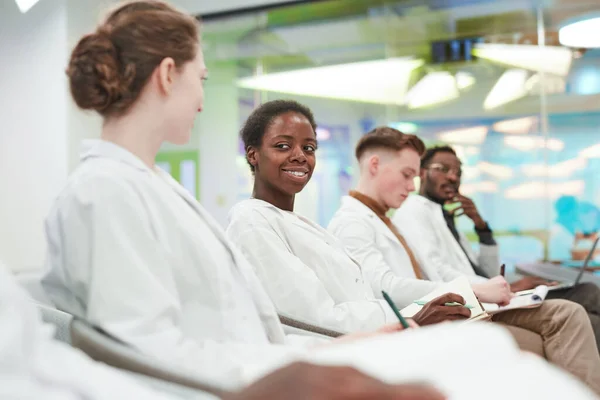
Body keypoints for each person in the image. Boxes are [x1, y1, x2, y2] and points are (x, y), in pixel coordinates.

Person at [39, 2, 597, 398]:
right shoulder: (104, 194)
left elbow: (245, 320)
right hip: (262, 375)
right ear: (167, 75)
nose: (204, 99)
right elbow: (145, 355)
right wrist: (303, 365)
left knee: (490, 356)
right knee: (492, 364)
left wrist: (374, 329)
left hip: (280, 358)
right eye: (201, 79)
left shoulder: (148, 188)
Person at [327, 127, 600, 392]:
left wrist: (482, 240)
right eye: (408, 174)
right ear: (374, 165)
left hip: (458, 302)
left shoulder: (386, 218)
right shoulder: (356, 222)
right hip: (437, 314)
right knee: (568, 318)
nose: (412, 186)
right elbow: (386, 286)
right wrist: (474, 289)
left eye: (457, 172)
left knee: (572, 310)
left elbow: (459, 269)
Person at [0, 259, 444, 400]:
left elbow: (47, 360)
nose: (301, 158)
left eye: (309, 147)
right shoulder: (103, 194)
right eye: (200, 74)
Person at [227, 100, 467, 334]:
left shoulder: (294, 221)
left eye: (309, 148)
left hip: (369, 342)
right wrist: (411, 317)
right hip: (337, 357)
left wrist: (414, 314)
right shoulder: (251, 220)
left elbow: (353, 299)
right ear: (253, 155)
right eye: (283, 146)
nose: (300, 156)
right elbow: (309, 320)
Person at [391, 145, 600, 352]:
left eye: (458, 172)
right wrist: (498, 288)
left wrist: (481, 228)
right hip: (477, 301)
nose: (453, 177)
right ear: (422, 172)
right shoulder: (413, 211)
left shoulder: (445, 217)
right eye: (444, 169)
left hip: (489, 294)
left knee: (588, 292)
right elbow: (436, 270)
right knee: (588, 308)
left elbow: (484, 270)